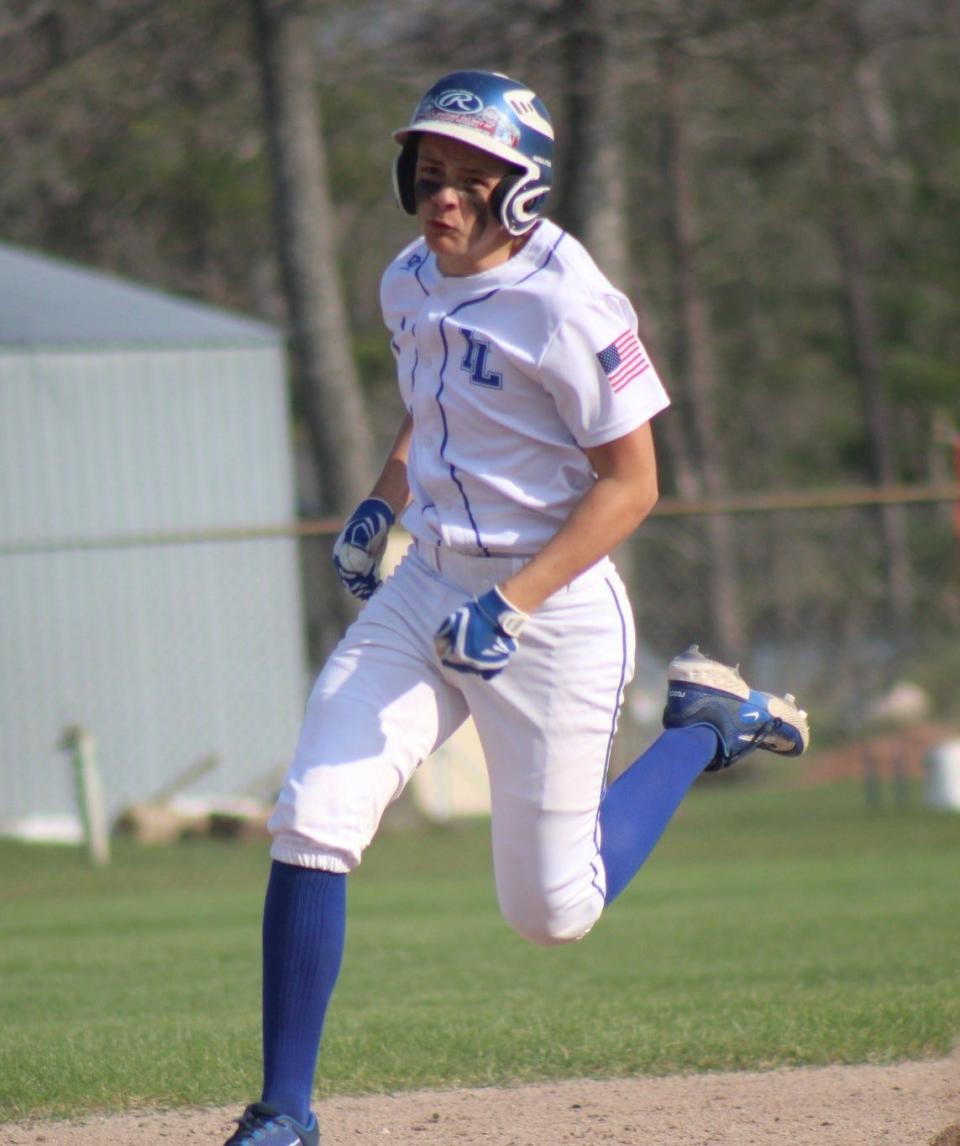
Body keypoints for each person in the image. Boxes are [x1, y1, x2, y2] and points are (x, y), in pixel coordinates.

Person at [224, 69, 809, 1146]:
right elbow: (432, 406)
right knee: (314, 815)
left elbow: (633, 484)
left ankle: (702, 731)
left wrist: (518, 602)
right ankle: (283, 1114)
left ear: (523, 193)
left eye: (470, 182)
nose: (443, 199)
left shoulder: (572, 304)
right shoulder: (408, 277)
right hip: (431, 580)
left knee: (551, 914)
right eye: (428, 174)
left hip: (556, 605)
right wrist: (381, 500)